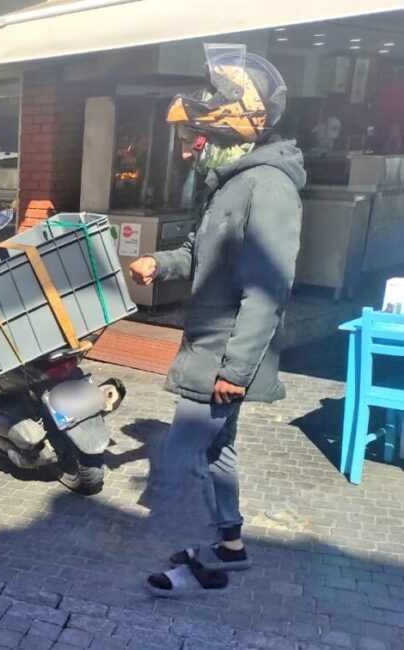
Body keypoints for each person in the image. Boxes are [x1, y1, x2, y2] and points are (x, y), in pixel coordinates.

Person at [128, 45, 305, 597]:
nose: (184, 150)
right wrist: (165, 262)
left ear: (222, 133)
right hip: (209, 345)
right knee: (217, 452)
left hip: (223, 353)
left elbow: (268, 287)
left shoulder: (267, 186)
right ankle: (229, 545)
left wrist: (236, 369)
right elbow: (203, 255)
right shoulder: (229, 185)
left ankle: (200, 559)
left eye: (190, 139)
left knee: (181, 457)